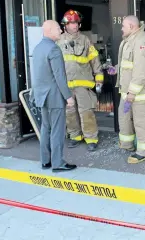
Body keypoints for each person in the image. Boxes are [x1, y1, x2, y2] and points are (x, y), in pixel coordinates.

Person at [107, 16, 145, 164]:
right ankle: (127, 144)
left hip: (140, 93)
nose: (121, 29)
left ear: (132, 26)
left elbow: (141, 70)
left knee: (141, 121)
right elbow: (128, 65)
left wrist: (132, 92)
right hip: (128, 91)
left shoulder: (141, 42)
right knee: (124, 116)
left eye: (123, 26)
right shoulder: (131, 40)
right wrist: (116, 70)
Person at [31, 20, 77, 172]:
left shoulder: (37, 48)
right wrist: (68, 97)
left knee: (46, 128)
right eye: (58, 28)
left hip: (42, 95)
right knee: (57, 129)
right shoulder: (54, 49)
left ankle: (46, 161)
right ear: (49, 30)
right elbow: (60, 77)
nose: (61, 31)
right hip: (55, 96)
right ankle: (58, 163)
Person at [57, 10, 103, 152]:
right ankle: (75, 136)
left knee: (86, 112)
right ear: (65, 25)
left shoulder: (85, 40)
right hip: (66, 85)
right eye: (71, 23)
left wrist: (99, 77)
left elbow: (94, 60)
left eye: (76, 22)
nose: (74, 26)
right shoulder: (58, 40)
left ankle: (91, 138)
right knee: (70, 112)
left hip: (83, 84)